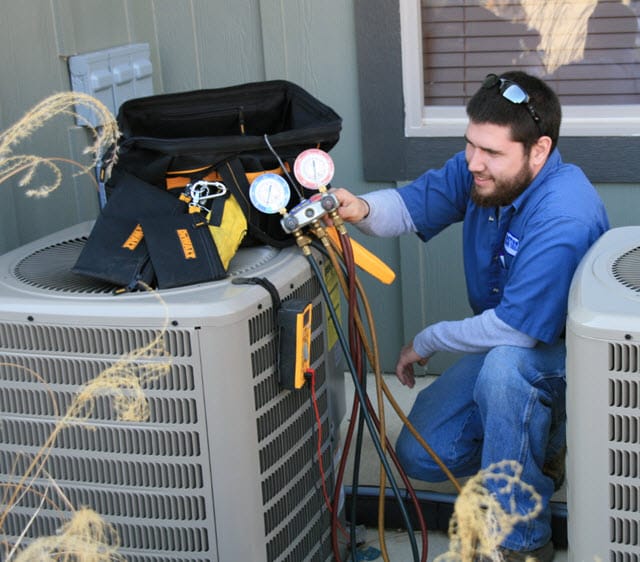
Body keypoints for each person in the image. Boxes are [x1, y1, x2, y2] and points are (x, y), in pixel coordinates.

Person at [333, 71, 609, 561]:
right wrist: (358, 207)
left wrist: (428, 339)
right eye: (470, 145)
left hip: (567, 358)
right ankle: (535, 448)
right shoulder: (483, 172)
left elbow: (515, 333)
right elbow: (409, 206)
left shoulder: (564, 214)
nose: (473, 162)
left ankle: (518, 540)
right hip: (511, 341)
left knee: (504, 370)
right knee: (420, 452)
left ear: (539, 151)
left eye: (491, 153)